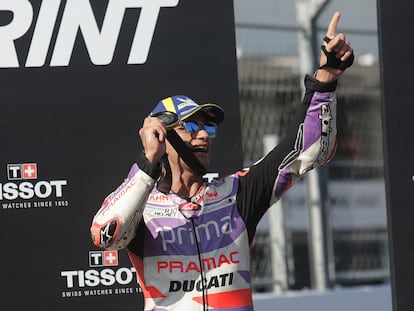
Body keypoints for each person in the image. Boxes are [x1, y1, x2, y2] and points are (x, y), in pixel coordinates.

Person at [90, 11, 354, 311]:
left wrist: (327, 76)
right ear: (161, 135)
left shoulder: (237, 193)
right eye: (191, 127)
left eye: (208, 127)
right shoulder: (142, 206)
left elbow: (309, 149)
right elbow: (106, 234)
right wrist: (148, 163)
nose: (204, 135)